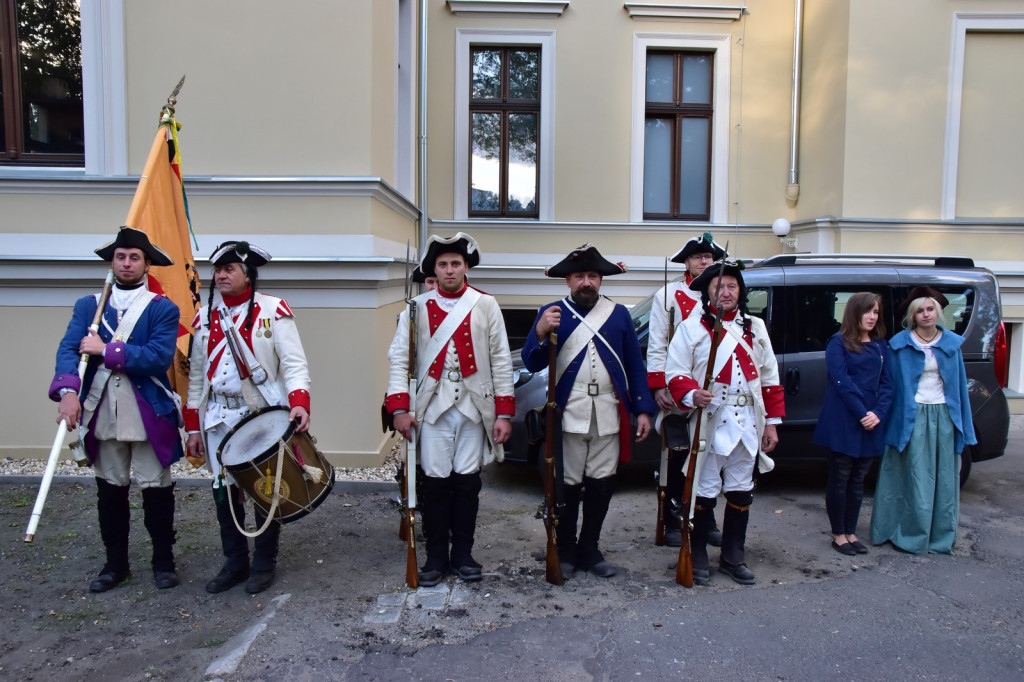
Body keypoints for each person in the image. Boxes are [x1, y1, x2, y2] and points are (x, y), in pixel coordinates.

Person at [49, 226, 184, 593]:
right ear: (112, 262)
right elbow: (68, 349)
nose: (126, 263)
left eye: (134, 258)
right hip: (102, 410)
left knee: (156, 490)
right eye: (120, 257)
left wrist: (105, 350)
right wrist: (68, 392)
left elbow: (157, 358)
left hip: (147, 412)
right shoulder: (88, 306)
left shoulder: (162, 308)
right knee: (110, 491)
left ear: (147, 265)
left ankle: (163, 562)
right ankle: (115, 565)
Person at [384, 232, 515, 586]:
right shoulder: (415, 308)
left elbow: (501, 359)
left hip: (474, 407)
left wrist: (504, 412)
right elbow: (400, 361)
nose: (449, 270)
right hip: (432, 408)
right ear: (435, 270)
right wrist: (399, 408)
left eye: (455, 263)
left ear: (466, 266)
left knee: (468, 484)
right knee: (435, 484)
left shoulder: (485, 304)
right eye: (442, 264)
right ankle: (436, 556)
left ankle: (463, 554)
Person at [183, 241, 312, 594]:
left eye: (229, 269)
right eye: (217, 270)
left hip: (260, 414)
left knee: (265, 489)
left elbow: (294, 365)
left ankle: (264, 563)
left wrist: (299, 402)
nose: (221, 276)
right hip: (217, 417)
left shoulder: (273, 310)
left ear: (247, 275)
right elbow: (197, 379)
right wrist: (193, 427)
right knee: (224, 492)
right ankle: (235, 562)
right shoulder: (204, 317)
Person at [521, 244, 655, 578]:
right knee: (567, 483)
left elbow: (635, 365)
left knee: (602, 482)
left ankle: (590, 548)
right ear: (568, 280)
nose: (586, 282)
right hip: (569, 413)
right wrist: (540, 332)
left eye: (593, 276)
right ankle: (566, 548)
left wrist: (642, 409)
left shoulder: (619, 314)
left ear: (600, 280)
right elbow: (532, 362)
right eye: (580, 276)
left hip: (608, 411)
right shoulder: (551, 312)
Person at [666, 259, 785, 585]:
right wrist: (692, 394)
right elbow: (675, 372)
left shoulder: (755, 327)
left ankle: (733, 556)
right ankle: (698, 553)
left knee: (741, 489)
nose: (726, 292)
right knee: (704, 490)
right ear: (708, 292)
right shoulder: (691, 328)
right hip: (710, 420)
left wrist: (771, 423)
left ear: (740, 291)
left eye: (732, 286)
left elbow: (769, 377)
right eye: (719, 286)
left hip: (748, 421)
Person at [870, 287, 977, 554]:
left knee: (943, 477)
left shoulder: (951, 345)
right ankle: (902, 531)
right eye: (920, 310)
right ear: (912, 315)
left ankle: (938, 536)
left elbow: (959, 389)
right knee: (911, 476)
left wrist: (964, 426)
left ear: (938, 312)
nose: (926, 314)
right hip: (910, 415)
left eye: (930, 309)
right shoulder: (899, 345)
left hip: (943, 416)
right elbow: (891, 387)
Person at [647, 232, 725, 547]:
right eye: (697, 257)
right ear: (687, 262)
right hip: (678, 387)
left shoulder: (724, 293)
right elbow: (657, 343)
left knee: (712, 454)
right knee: (677, 455)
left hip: (714, 388)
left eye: (709, 257)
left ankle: (706, 518)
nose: (704, 261)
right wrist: (658, 385)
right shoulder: (667, 295)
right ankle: (672, 519)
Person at [813, 292, 893, 556]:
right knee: (840, 478)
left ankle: (851, 531)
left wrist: (877, 414)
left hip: (871, 421)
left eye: (876, 312)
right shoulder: (838, 342)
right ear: (854, 313)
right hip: (844, 419)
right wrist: (862, 413)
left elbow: (888, 385)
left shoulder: (881, 346)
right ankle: (838, 534)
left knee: (858, 480)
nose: (872, 317)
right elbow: (841, 382)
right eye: (867, 311)